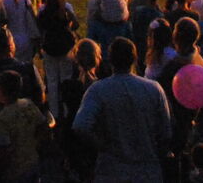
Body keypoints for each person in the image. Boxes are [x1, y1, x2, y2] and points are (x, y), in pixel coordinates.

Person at [72, 37, 169, 183]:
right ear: (134, 59)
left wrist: (101, 145)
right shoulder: (154, 89)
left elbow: (80, 126)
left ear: (110, 60)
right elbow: (166, 132)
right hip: (147, 170)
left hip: (111, 171)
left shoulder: (98, 90)